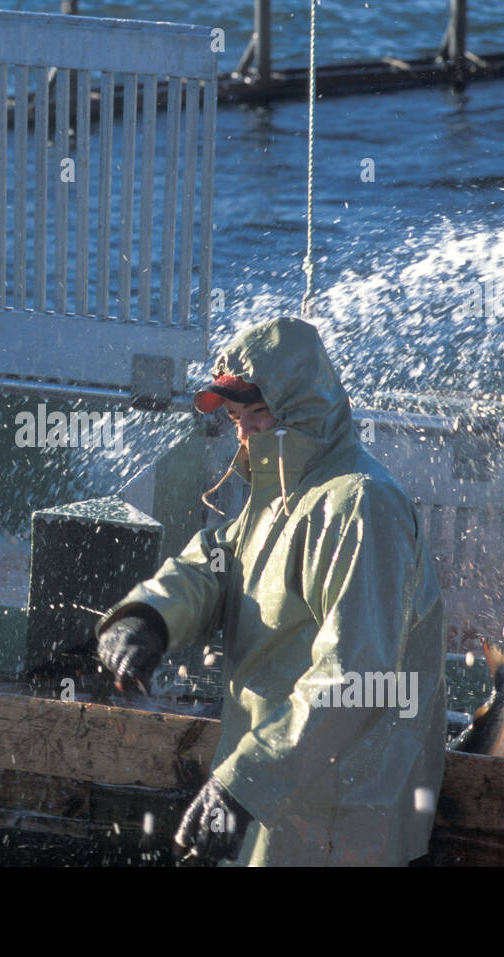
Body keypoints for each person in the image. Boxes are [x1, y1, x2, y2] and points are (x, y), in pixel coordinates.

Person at [96, 317, 446, 866]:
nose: (245, 432)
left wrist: (244, 786)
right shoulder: (278, 494)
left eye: (258, 412)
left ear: (307, 408)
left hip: (343, 820)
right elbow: (216, 563)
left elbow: (356, 677)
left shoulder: (361, 503)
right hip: (280, 801)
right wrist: (150, 615)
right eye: (237, 417)